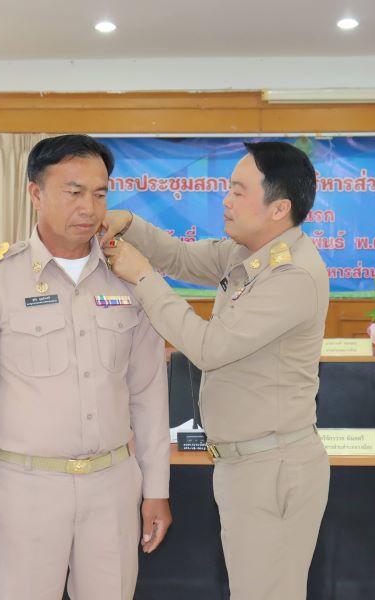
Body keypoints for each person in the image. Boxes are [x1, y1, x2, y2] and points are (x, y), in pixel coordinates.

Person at [100, 141, 330, 600]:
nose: (226, 200)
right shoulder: (249, 253)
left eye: (239, 191)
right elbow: (182, 258)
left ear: (279, 208)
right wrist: (131, 225)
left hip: (271, 469)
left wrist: (143, 278)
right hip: (246, 465)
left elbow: (209, 347)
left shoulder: (292, 275)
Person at [0, 134, 172, 600]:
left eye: (100, 193)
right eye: (74, 192)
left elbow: (148, 392)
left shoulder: (130, 277)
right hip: (26, 489)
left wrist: (157, 488)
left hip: (112, 486)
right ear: (35, 193)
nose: (89, 207)